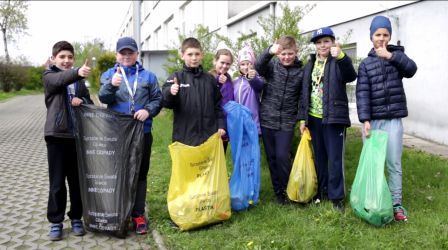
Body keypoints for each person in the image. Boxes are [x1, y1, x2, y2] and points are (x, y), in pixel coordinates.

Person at [98, 36, 162, 234]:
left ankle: (138, 214)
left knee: (140, 174)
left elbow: (158, 99)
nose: (126, 56)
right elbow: (103, 97)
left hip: (142, 132)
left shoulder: (149, 77)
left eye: (130, 52)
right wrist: (112, 85)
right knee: (119, 173)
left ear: (137, 54)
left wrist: (148, 111)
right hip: (117, 134)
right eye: (122, 53)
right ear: (117, 54)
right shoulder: (109, 74)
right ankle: (120, 213)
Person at [356, 16, 417, 221]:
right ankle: (373, 200)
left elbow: (412, 70)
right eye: (377, 34)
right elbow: (362, 93)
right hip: (373, 121)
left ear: (390, 36)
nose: (381, 38)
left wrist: (390, 56)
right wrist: (364, 119)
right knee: (373, 163)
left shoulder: (397, 57)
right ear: (371, 37)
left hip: (393, 121)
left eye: (385, 34)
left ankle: (396, 204)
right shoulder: (365, 64)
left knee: (393, 162)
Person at [299, 27, 357, 211]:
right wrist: (303, 119)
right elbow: (304, 93)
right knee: (320, 157)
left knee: (334, 159)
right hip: (314, 118)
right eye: (318, 42)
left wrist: (341, 56)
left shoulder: (338, 61)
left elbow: (351, 75)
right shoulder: (310, 63)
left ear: (333, 42)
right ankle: (322, 191)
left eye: (326, 41)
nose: (322, 45)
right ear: (315, 45)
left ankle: (337, 197)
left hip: (334, 119)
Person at [43, 40, 93, 241]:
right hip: (56, 136)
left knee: (76, 182)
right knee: (57, 183)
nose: (66, 60)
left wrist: (83, 102)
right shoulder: (49, 75)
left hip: (77, 137)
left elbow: (89, 101)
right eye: (62, 57)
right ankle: (56, 222)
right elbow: (58, 81)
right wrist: (77, 72)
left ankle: (76, 218)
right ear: (54, 59)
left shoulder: (79, 82)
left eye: (70, 57)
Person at [255, 35, 304, 204]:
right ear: (278, 54)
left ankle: (287, 189)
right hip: (268, 119)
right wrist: (269, 51)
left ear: (296, 52)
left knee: (283, 156)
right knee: (272, 158)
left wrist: (302, 118)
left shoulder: (301, 72)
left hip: (287, 122)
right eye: (283, 54)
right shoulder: (272, 67)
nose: (286, 57)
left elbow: (303, 98)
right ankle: (278, 194)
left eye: (290, 53)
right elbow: (258, 66)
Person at [162, 37, 226, 146]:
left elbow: (218, 105)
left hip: (208, 138)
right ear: (182, 56)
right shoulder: (176, 77)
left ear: (202, 55)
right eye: (190, 54)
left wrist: (221, 125)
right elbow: (165, 103)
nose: (194, 58)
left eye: (197, 54)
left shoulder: (209, 79)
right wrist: (170, 92)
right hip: (184, 139)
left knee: (208, 163)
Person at [233, 44, 264, 134]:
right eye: (242, 64)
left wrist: (252, 77)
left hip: (253, 124)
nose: (246, 67)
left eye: (248, 63)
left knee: (252, 148)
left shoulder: (257, 78)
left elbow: (259, 86)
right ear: (239, 66)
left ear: (253, 64)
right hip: (239, 124)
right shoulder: (235, 82)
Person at [209, 48, 234, 152]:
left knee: (221, 157)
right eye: (222, 62)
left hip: (226, 124)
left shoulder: (229, 78)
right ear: (215, 61)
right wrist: (217, 82)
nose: (224, 66)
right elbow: (207, 97)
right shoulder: (209, 77)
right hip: (213, 125)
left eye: (228, 64)